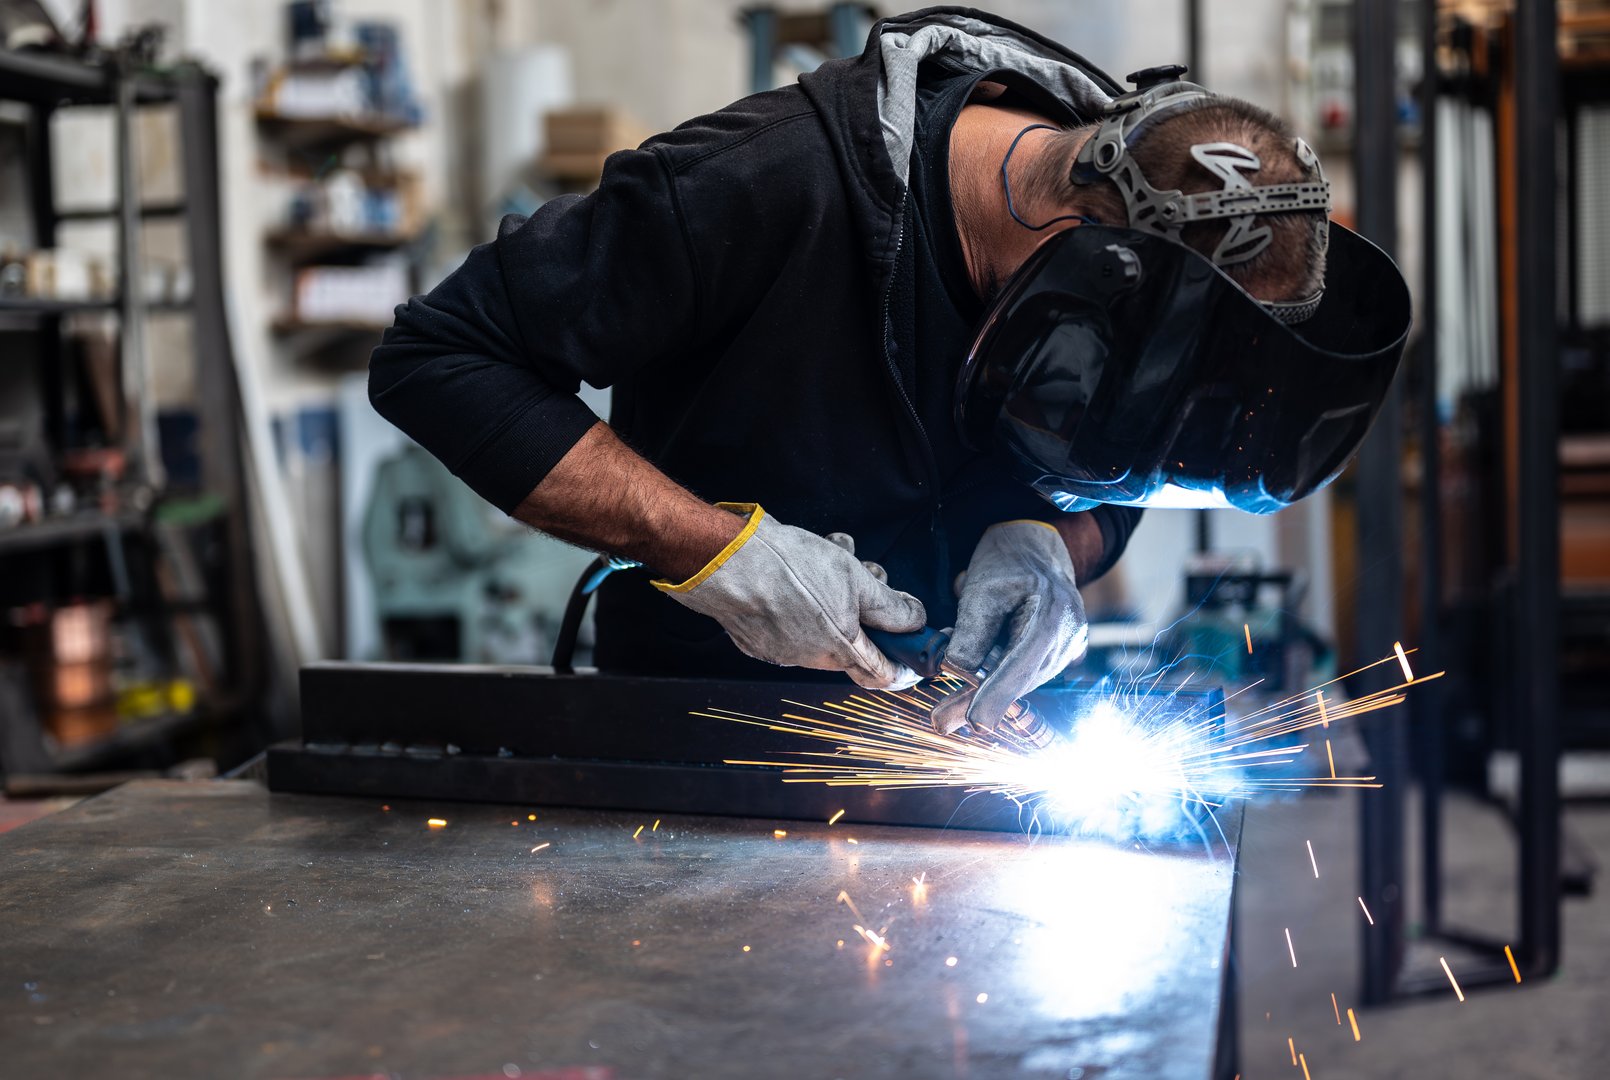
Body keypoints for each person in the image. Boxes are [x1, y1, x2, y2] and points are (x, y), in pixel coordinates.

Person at [368, 8, 1409, 738]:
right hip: (709, 733)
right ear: (1086, 248)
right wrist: (716, 552)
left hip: (975, 743)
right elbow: (441, 354)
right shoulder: (765, 185)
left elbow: (1128, 455)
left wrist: (1050, 538)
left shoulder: (1117, 283)